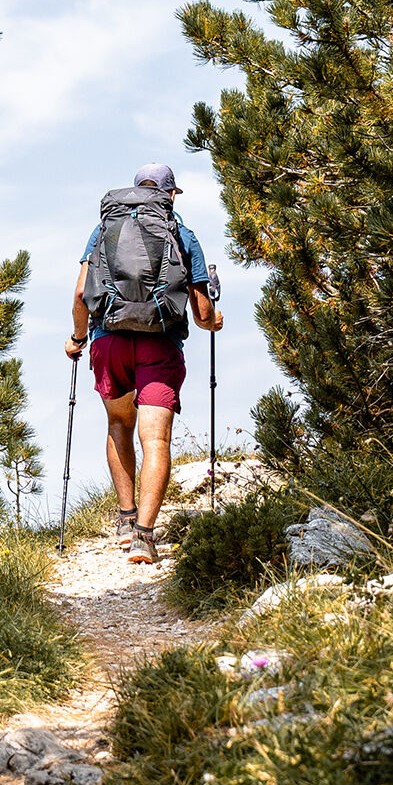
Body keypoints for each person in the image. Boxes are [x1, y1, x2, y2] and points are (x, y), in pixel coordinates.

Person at [66, 163, 224, 564]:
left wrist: (78, 338)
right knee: (155, 439)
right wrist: (214, 321)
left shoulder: (104, 229)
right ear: (170, 194)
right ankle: (144, 537)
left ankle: (124, 519)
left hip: (110, 341)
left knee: (119, 423)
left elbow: (82, 292)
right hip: (159, 343)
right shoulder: (182, 234)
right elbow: (203, 313)